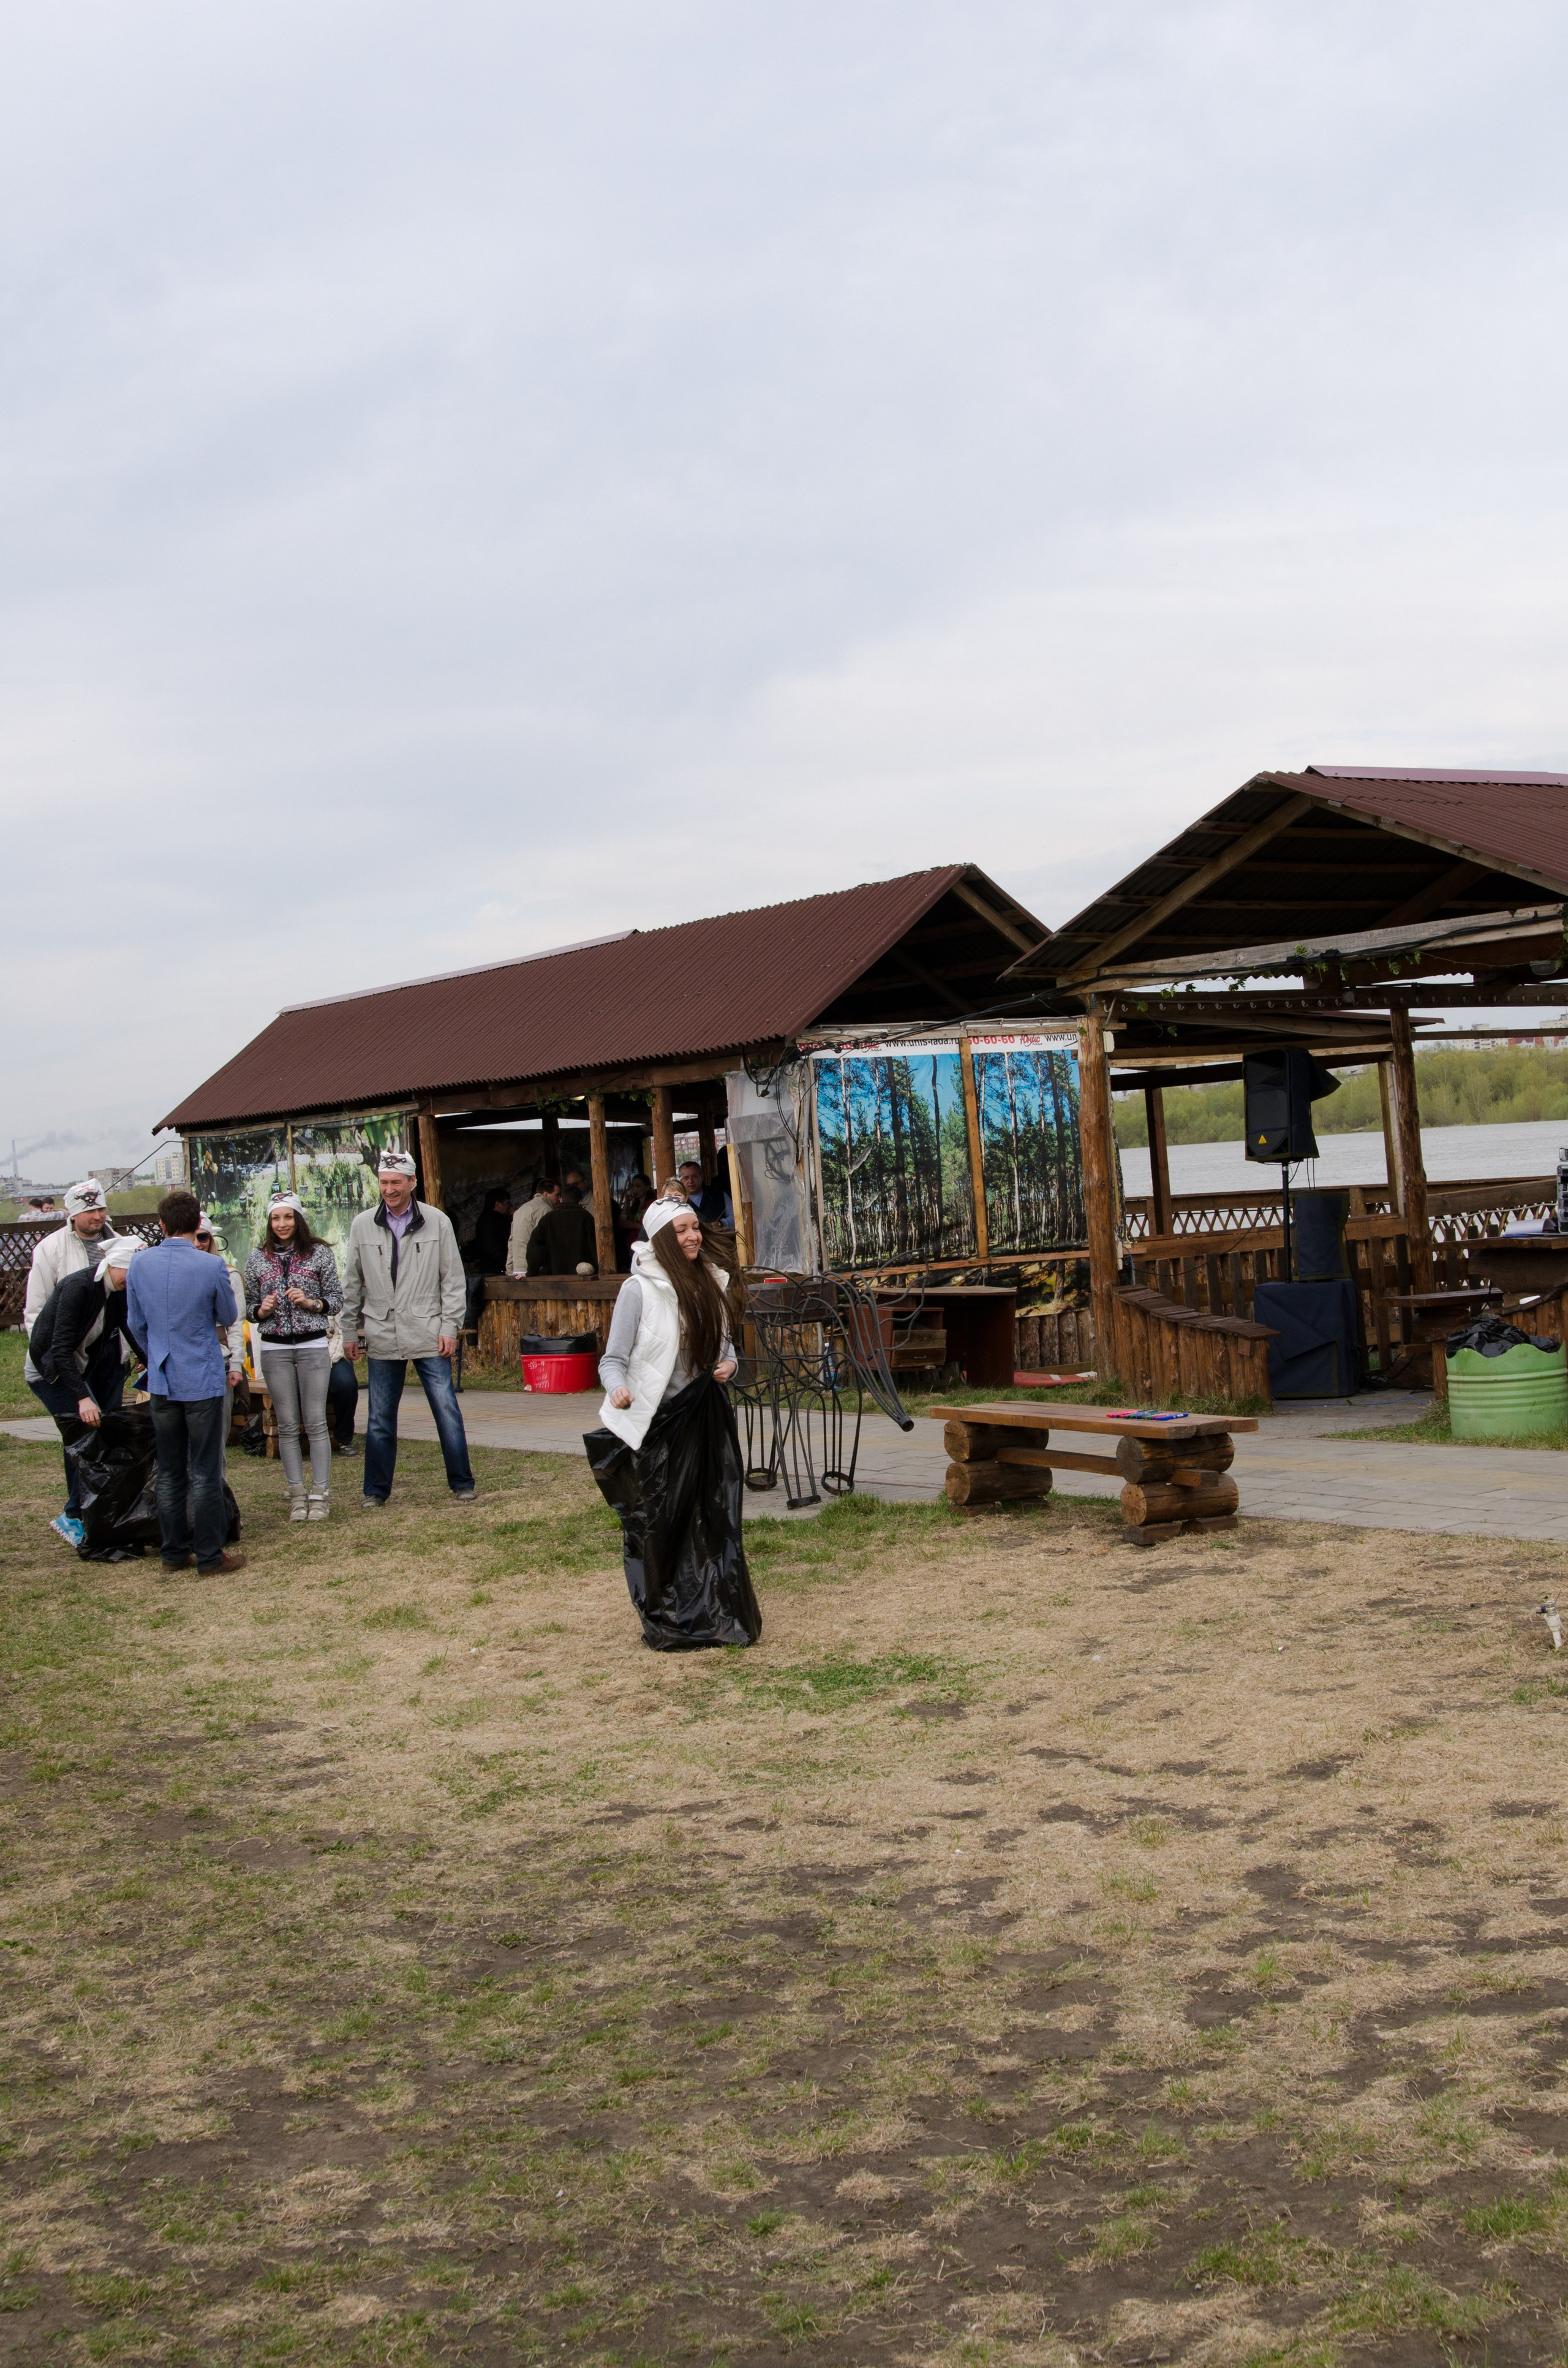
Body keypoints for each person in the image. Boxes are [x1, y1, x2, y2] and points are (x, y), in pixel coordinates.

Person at [585, 1199, 760, 1652]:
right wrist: (618, 1387)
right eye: (681, 1230)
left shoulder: (711, 1282)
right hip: (659, 1426)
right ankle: (668, 1614)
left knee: (715, 1513)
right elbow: (613, 1359)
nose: (693, 1236)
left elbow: (726, 1349)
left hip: (705, 1416)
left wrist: (730, 1365)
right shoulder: (639, 1290)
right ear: (662, 1237)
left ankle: (718, 1610)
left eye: (695, 1227)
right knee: (662, 1520)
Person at [341, 1150, 474, 1506]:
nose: (389, 1189)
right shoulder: (361, 1225)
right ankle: (375, 1491)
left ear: (413, 1182)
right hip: (383, 1331)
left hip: (429, 1329)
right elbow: (352, 1283)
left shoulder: (438, 1221)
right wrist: (350, 1331)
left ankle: (462, 1483)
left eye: (396, 1182)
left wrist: (450, 1326)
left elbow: (453, 1280)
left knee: (446, 1410)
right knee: (379, 1418)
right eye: (384, 1182)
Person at [125, 1189, 246, 1577]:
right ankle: (210, 1556)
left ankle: (173, 1552)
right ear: (198, 1225)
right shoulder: (212, 1267)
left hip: (162, 1377)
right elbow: (228, 1315)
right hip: (203, 1377)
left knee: (171, 1470)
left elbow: (136, 1323)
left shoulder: (139, 1264)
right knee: (206, 1471)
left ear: (161, 1225)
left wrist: (154, 1352)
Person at [26, 1236, 143, 1546]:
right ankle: (72, 1515)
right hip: (48, 1370)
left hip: (73, 1368)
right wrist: (82, 1397)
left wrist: (153, 1367)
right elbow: (59, 1348)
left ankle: (84, 1511)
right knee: (84, 1436)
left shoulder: (116, 1291)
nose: (132, 1281)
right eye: (131, 1273)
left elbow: (129, 1331)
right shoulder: (79, 1287)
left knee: (85, 1438)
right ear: (113, 1265)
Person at [23, 1179, 121, 1535]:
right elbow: (37, 1312)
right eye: (89, 1211)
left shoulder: (119, 1244)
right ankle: (75, 1512)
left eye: (100, 1209)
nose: (97, 1216)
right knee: (79, 1434)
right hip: (67, 1358)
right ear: (72, 1214)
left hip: (109, 1351)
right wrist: (54, 1363)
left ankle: (104, 1508)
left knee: (106, 1434)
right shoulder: (51, 1250)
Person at [244, 1194, 342, 1521]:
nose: (282, 1224)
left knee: (315, 1422)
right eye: (276, 1219)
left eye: (288, 1218)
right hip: (274, 1348)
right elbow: (247, 1308)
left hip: (313, 1345)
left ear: (298, 1219)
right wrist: (262, 1310)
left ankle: (321, 1493)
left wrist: (311, 1303)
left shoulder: (319, 1253)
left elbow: (335, 1300)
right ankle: (297, 1494)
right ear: (270, 1223)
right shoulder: (257, 1258)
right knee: (287, 1425)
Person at [194, 1212, 247, 1469]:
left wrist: (237, 1363)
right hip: (184, 1359)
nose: (197, 1243)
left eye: (203, 1237)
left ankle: (219, 1500)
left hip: (219, 1357)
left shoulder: (228, 1274)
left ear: (211, 1238)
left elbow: (235, 1324)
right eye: (192, 1236)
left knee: (218, 1435)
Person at [526, 1182, 598, 1277]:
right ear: (580, 1201)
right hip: (583, 1277)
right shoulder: (586, 1218)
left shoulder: (548, 1219)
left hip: (555, 1277)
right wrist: (598, 1270)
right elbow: (595, 1247)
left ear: (561, 1199)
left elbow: (535, 1248)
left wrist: (531, 1272)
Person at [507, 1177, 558, 1274]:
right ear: (546, 1194)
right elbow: (545, 1242)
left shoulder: (520, 1210)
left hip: (518, 1268)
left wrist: (510, 1269)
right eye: (557, 1195)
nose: (560, 1199)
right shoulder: (545, 1210)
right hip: (535, 1270)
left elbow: (512, 1241)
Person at [325, 1316, 359, 1455]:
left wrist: (327, 1359)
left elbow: (340, 1333)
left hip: (331, 1355)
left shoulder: (331, 1297)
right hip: (299, 1359)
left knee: (347, 1385)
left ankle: (344, 1440)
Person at [678, 1159, 732, 1227]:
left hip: (718, 1236)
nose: (691, 1181)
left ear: (702, 1177)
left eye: (695, 1176)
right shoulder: (678, 1200)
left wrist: (721, 1224)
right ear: (681, 1181)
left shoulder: (719, 1194)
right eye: (686, 1178)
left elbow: (735, 1217)